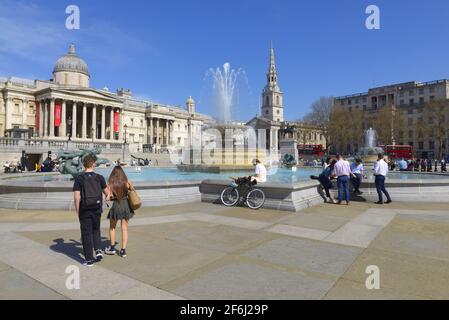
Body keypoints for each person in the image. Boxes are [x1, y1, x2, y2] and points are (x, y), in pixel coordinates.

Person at [73, 155, 109, 267]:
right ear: (93, 164)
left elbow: (76, 197)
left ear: (84, 164)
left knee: (86, 234)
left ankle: (89, 259)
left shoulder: (79, 178)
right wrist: (104, 199)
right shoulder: (99, 177)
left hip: (85, 209)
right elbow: (107, 193)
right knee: (96, 230)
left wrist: (77, 210)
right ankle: (98, 251)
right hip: (97, 208)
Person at [104, 166, 135, 258]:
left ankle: (112, 248)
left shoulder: (111, 184)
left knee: (112, 227)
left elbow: (108, 198)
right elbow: (132, 191)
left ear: (113, 173)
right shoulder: (127, 182)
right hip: (126, 206)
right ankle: (123, 251)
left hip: (116, 206)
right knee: (124, 229)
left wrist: (107, 197)